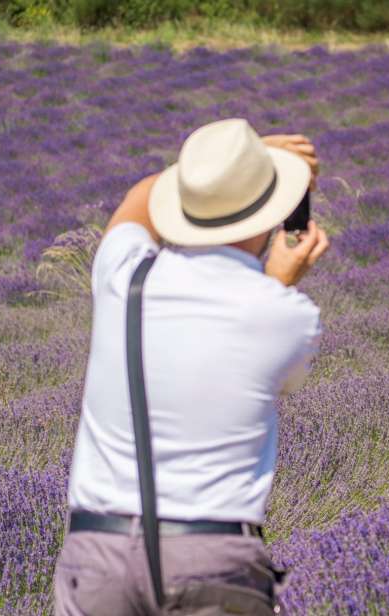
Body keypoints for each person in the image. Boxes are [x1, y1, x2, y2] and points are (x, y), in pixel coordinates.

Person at [54, 118, 329, 615]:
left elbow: (137, 203)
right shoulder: (285, 316)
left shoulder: (124, 273)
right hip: (214, 557)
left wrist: (215, 171)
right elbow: (263, 373)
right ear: (272, 215)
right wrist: (278, 282)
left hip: (100, 553)